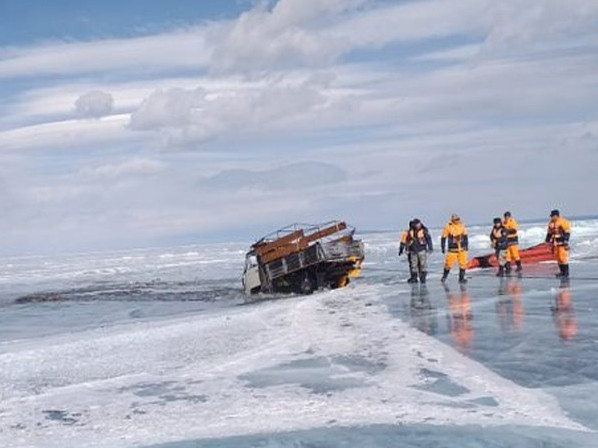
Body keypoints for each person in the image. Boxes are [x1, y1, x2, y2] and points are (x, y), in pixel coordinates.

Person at [441, 213, 469, 283]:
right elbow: (443, 237)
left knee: (463, 264)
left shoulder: (462, 226)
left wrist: (466, 246)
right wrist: (443, 247)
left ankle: (461, 278)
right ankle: (444, 277)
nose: (457, 220)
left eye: (458, 219)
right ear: (452, 220)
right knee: (448, 264)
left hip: (462, 249)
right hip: (452, 249)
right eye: (456, 219)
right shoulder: (448, 227)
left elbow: (465, 237)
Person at [405, 218, 433, 284]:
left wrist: (430, 248)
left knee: (423, 264)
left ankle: (423, 279)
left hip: (422, 250)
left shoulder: (424, 231)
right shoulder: (410, 232)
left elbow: (428, 239)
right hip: (413, 251)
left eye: (419, 224)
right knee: (413, 265)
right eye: (416, 224)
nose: (418, 225)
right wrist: (407, 249)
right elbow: (407, 241)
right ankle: (414, 278)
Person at [545, 209, 571, 278]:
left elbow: (567, 232)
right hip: (555, 243)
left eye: (552, 216)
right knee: (558, 257)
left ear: (556, 215)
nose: (551, 218)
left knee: (563, 257)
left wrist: (566, 240)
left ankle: (566, 272)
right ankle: (561, 272)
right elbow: (549, 233)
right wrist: (547, 240)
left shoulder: (563, 222)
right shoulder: (551, 223)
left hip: (562, 242)